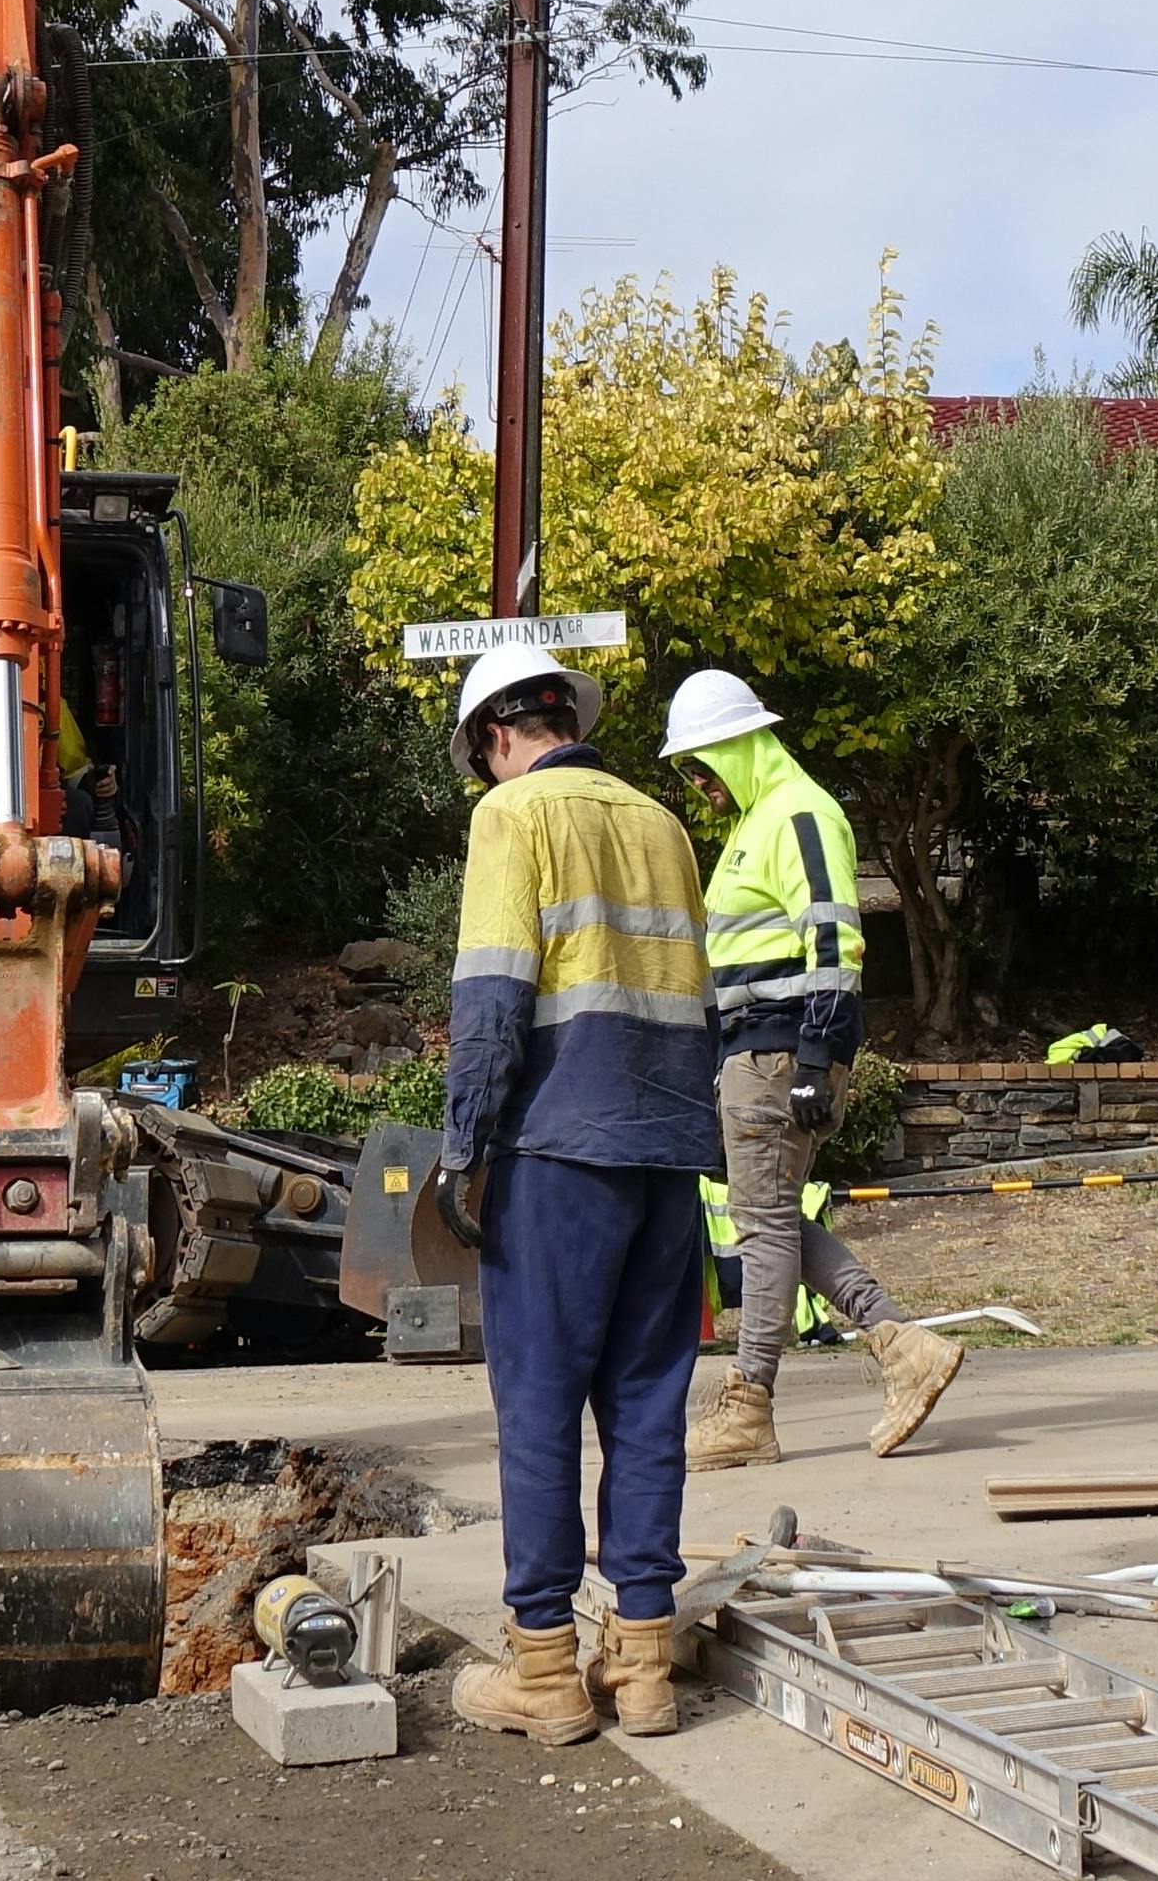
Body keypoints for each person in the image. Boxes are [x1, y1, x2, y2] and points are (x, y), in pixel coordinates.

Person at [429, 645, 725, 1744]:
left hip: (557, 1153)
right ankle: (642, 1666)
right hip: (666, 1156)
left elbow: (494, 996)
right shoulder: (663, 823)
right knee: (649, 1406)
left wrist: (466, 1144)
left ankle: (547, 1673)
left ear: (496, 737)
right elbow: (700, 1001)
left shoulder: (513, 818)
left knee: (541, 1410)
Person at [657, 668, 968, 1468]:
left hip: (777, 1049)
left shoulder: (798, 813)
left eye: (699, 765)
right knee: (770, 1216)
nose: (697, 784)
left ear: (735, 745)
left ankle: (750, 1407)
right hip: (758, 1052)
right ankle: (901, 1345)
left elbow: (835, 940)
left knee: (762, 1223)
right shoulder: (765, 820)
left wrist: (816, 1057)